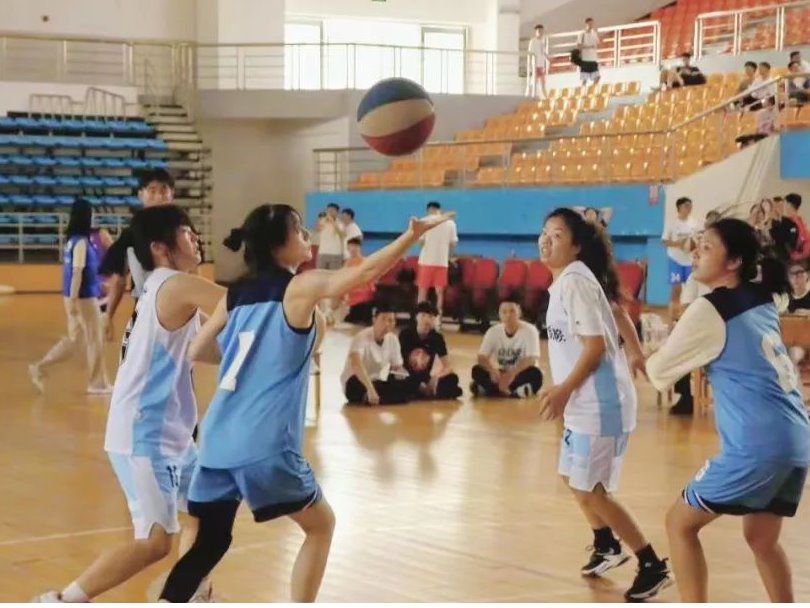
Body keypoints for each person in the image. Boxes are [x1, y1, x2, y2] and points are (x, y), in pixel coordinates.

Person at [157, 204, 453, 603]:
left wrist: (252, 356)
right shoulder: (298, 287)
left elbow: (197, 348)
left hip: (215, 440)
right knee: (321, 526)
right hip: (264, 443)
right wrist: (411, 236)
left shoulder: (235, 294)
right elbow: (363, 273)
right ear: (279, 244)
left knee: (209, 543)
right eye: (299, 231)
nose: (307, 237)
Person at [33, 205, 225, 603]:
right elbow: (242, 302)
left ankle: (190, 591)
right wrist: (300, 300)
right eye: (186, 232)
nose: (195, 238)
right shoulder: (176, 284)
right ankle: (62, 600)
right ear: (160, 247)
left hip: (171, 432)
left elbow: (202, 350)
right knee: (155, 542)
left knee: (209, 511)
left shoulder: (163, 286)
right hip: (144, 433)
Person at [646, 218, 810, 602]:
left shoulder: (709, 309)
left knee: (679, 524)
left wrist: (636, 348)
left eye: (706, 247)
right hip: (797, 440)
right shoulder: (764, 295)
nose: (695, 252)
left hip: (757, 445)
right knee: (761, 540)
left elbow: (657, 373)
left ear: (734, 261)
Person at [537, 207, 672, 601]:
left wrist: (563, 390)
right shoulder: (570, 280)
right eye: (544, 233)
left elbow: (595, 347)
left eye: (557, 235)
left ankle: (652, 564)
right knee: (571, 477)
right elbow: (615, 311)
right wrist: (634, 350)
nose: (546, 240)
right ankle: (606, 544)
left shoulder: (576, 282)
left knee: (593, 489)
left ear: (577, 246)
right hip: (582, 403)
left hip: (601, 404)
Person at [29, 198, 111, 395]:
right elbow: (77, 271)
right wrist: (74, 300)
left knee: (75, 341)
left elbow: (78, 272)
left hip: (75, 295)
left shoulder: (72, 241)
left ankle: (39, 367)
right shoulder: (81, 242)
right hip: (83, 298)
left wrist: (96, 286)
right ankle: (97, 383)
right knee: (95, 338)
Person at [98, 168, 174, 345]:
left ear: (172, 193)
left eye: (164, 190)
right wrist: (108, 315)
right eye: (152, 191)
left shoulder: (183, 231)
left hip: (177, 307)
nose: (158, 196)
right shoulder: (131, 234)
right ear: (141, 194)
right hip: (144, 309)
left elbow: (193, 272)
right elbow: (119, 279)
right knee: (135, 354)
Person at [342, 303, 419, 405]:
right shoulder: (361, 337)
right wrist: (370, 390)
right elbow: (356, 365)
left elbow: (397, 367)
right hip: (358, 381)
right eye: (383, 319)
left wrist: (406, 376)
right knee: (355, 385)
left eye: (390, 320)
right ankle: (375, 396)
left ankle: (375, 397)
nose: (387, 324)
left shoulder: (393, 339)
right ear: (374, 319)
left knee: (408, 382)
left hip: (376, 381)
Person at [470, 299, 543, 398]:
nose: (508, 315)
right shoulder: (493, 331)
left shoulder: (530, 330)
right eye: (504, 312)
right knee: (476, 370)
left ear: (519, 312)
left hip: (520, 372)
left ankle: (490, 389)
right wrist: (492, 371)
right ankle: (514, 390)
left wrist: (512, 374)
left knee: (536, 374)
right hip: (501, 373)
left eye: (512, 311)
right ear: (499, 315)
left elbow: (531, 359)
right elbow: (481, 357)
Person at [399, 300, 462, 400]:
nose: (427, 319)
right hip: (407, 376)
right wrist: (417, 383)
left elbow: (447, 366)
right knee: (400, 382)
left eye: (430, 316)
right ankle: (423, 391)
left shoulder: (437, 337)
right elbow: (399, 364)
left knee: (453, 379)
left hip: (425, 378)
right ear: (416, 317)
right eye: (423, 315)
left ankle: (427, 390)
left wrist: (436, 377)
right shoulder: (405, 334)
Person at [416, 201, 459, 327]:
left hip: (426, 261)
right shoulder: (450, 223)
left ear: (429, 210)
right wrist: (449, 256)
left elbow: (421, 242)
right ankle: (438, 320)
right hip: (441, 262)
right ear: (439, 209)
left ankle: (419, 318)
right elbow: (453, 243)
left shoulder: (424, 221)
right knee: (439, 293)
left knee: (422, 292)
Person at [662, 197, 701, 321]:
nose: (689, 208)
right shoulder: (671, 223)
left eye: (690, 205)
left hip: (689, 261)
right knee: (676, 290)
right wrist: (679, 244)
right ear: (679, 207)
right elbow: (664, 241)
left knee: (691, 290)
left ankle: (687, 318)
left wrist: (694, 244)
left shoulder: (694, 223)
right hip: (675, 260)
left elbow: (697, 239)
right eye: (686, 205)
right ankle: (672, 318)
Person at [342, 237, 376, 325]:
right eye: (351, 247)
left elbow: (371, 281)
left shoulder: (365, 262)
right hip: (353, 299)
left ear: (359, 248)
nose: (353, 249)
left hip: (364, 299)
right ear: (348, 248)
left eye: (355, 246)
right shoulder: (347, 264)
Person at [526, 24, 548, 98]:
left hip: (541, 65)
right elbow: (530, 53)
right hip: (535, 65)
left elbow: (543, 52)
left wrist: (548, 59)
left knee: (542, 82)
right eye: (539, 31)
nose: (540, 33)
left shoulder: (542, 41)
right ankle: (529, 96)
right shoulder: (533, 41)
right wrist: (530, 65)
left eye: (542, 31)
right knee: (534, 82)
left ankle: (545, 97)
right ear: (536, 32)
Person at [576, 18, 601, 85]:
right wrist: (589, 46)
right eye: (589, 23)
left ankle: (593, 89)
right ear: (586, 24)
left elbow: (598, 43)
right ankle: (583, 90)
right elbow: (578, 45)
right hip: (585, 59)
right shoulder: (582, 34)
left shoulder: (594, 33)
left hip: (593, 59)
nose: (591, 25)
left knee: (597, 77)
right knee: (584, 79)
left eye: (592, 23)